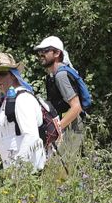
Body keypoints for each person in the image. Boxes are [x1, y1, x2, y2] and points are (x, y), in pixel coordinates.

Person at [0, 53, 46, 174]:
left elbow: (31, 137)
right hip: (15, 172)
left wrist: (17, 171)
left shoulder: (23, 99)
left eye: (2, 73)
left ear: (13, 75)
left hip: (27, 173)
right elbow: (9, 139)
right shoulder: (7, 100)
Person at [33, 36, 89, 164]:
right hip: (65, 125)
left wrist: (56, 130)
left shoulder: (61, 76)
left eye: (45, 51)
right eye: (39, 52)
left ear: (57, 53)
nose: (41, 55)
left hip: (71, 127)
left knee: (64, 168)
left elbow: (76, 107)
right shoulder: (53, 75)